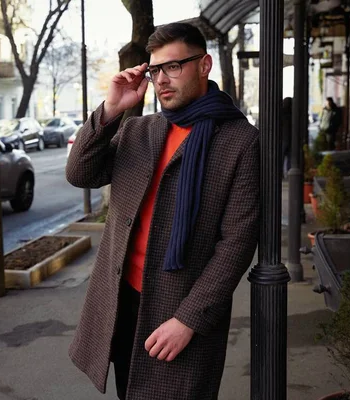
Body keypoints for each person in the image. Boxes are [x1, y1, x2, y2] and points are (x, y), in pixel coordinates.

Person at [66, 22, 260, 400]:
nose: (161, 80)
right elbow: (80, 173)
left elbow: (236, 243)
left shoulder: (239, 141)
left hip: (178, 306)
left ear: (204, 65)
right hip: (123, 300)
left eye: (173, 67)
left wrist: (189, 319)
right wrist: (111, 109)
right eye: (155, 70)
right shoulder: (140, 130)